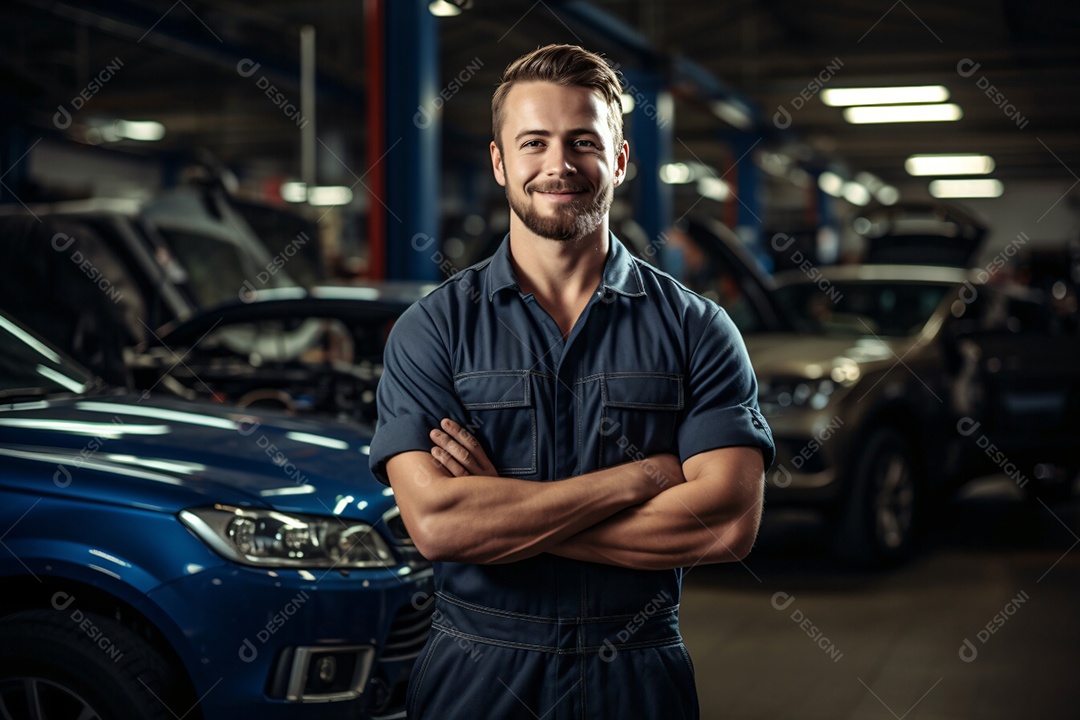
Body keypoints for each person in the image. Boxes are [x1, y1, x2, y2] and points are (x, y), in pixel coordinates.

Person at [369, 43, 774, 720]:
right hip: (478, 670)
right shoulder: (431, 329)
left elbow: (725, 524)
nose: (558, 166)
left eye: (583, 141)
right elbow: (439, 526)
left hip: (637, 672)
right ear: (500, 163)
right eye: (534, 142)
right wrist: (640, 480)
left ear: (618, 159)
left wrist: (502, 513)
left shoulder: (697, 328)